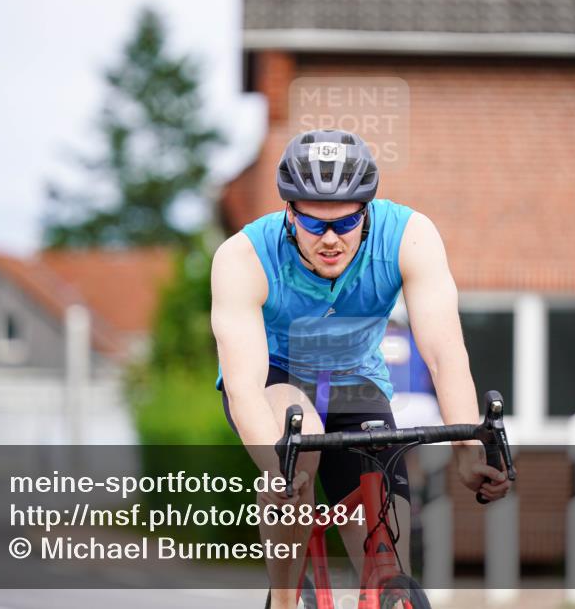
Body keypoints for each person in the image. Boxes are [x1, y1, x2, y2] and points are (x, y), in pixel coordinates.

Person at [210, 129, 510, 609]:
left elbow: (443, 351)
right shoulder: (243, 258)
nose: (330, 239)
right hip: (276, 380)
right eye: (314, 225)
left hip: (355, 379)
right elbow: (244, 388)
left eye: (346, 222)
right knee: (297, 441)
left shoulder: (409, 236)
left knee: (387, 548)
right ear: (290, 212)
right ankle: (286, 600)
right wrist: (278, 472)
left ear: (367, 209)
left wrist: (469, 449)